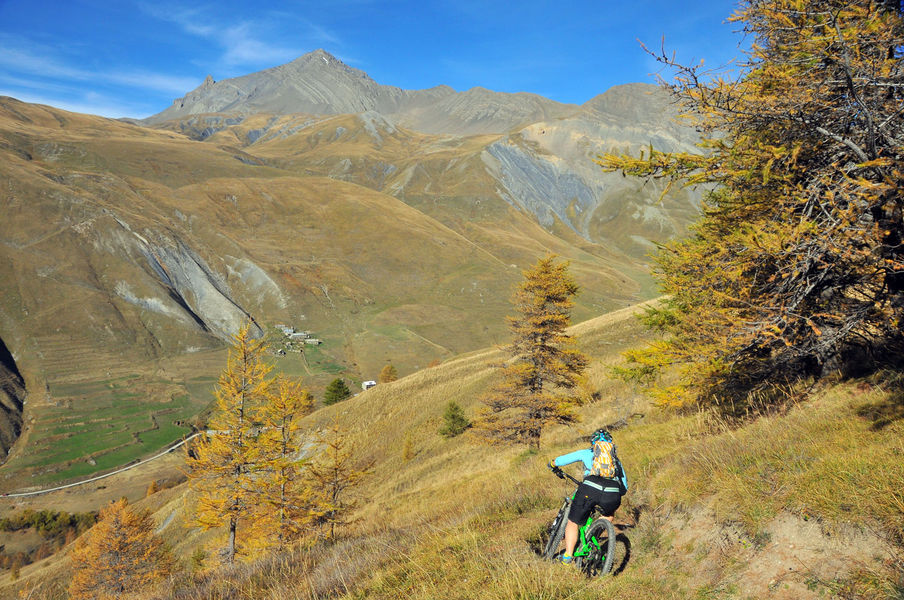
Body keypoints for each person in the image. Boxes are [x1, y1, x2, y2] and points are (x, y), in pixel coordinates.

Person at [549, 428, 627, 564]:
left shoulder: (587, 452)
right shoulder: (616, 461)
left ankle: (567, 555)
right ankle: (593, 535)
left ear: (593, 443)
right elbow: (624, 487)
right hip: (612, 492)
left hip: (590, 488)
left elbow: (562, 460)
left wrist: (553, 464)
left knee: (573, 521)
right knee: (608, 515)